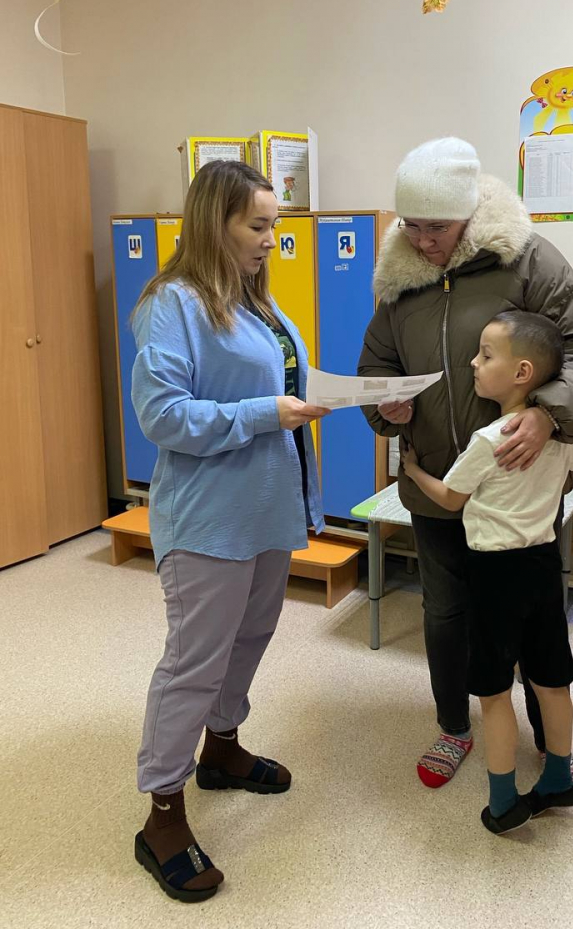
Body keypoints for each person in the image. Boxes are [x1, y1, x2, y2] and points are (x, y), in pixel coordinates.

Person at [358, 137, 573, 791]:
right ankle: (454, 727)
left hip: (518, 486)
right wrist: (384, 407)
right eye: (412, 226)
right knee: (445, 613)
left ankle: (549, 740)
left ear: (469, 215)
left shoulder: (528, 258)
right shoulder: (398, 280)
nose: (423, 241)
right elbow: (376, 368)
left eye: (437, 227)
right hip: (436, 486)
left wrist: (548, 414)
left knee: (528, 616)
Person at [131, 161, 329, 902]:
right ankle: (162, 814)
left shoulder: (258, 305)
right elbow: (162, 417)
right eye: (258, 225)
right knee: (195, 660)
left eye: (274, 224)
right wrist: (264, 414)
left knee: (249, 638)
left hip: (266, 509)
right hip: (208, 518)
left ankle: (221, 747)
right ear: (215, 223)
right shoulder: (172, 304)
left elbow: (275, 388)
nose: (272, 239)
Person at [403, 311, 573, 835]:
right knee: (551, 680)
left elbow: (450, 497)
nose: (473, 362)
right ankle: (558, 778)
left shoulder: (490, 439)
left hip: (494, 574)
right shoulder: (557, 433)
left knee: (493, 693)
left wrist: (414, 469)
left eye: (486, 354)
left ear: (521, 372)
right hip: (543, 564)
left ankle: (504, 801)